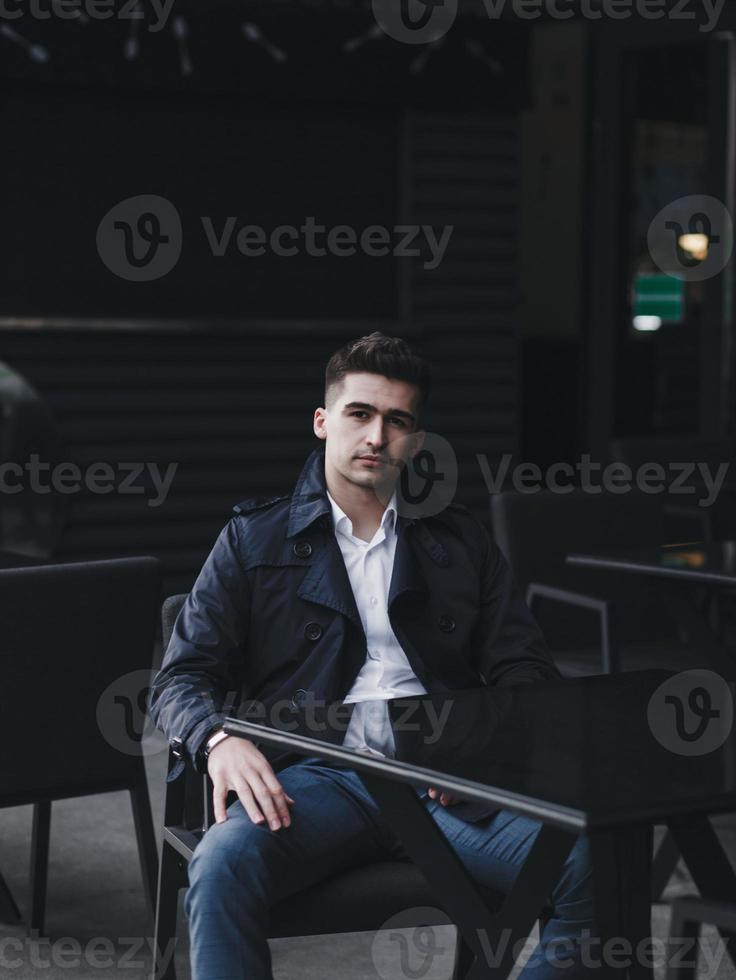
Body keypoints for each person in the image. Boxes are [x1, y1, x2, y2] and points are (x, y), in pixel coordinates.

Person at [148, 331, 595, 980]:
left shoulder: (460, 542)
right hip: (311, 777)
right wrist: (217, 738)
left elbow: (527, 674)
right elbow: (181, 677)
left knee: (593, 865)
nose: (376, 436)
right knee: (221, 865)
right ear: (323, 421)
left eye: (397, 421)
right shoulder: (253, 538)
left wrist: (472, 743)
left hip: (445, 783)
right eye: (359, 414)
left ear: (416, 440)